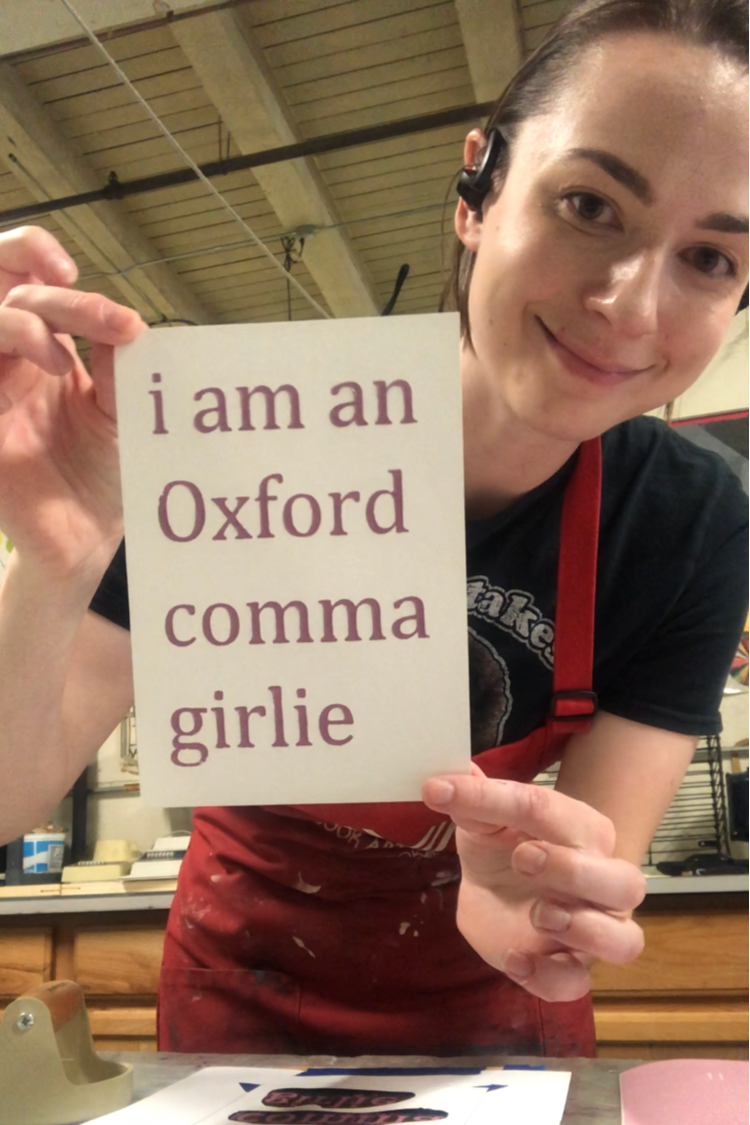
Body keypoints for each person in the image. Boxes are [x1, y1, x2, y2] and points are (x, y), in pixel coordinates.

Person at [0, 0, 748, 1058]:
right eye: (589, 202)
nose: (630, 306)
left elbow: (589, 859)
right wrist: (58, 561)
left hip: (496, 1014)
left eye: (713, 260)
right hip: (243, 991)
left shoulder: (690, 524)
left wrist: (541, 902)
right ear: (477, 191)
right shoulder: (228, 434)